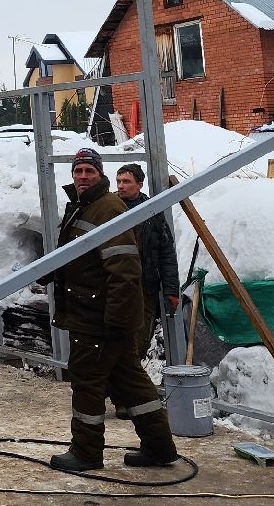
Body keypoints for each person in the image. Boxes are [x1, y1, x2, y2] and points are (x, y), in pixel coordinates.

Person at [48, 146, 180, 473]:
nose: (82, 177)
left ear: (99, 175)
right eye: (78, 171)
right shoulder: (84, 206)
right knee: (133, 385)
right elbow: (83, 258)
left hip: (98, 319)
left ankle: (86, 452)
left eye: (88, 172)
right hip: (99, 315)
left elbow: (124, 271)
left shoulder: (107, 208)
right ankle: (160, 448)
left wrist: (117, 321)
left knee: (88, 384)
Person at [115, 162, 181, 341]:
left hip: (145, 287)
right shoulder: (109, 209)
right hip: (116, 287)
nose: (121, 186)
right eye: (118, 181)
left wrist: (171, 290)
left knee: (141, 339)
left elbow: (166, 253)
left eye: (126, 181)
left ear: (139, 185)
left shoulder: (152, 212)